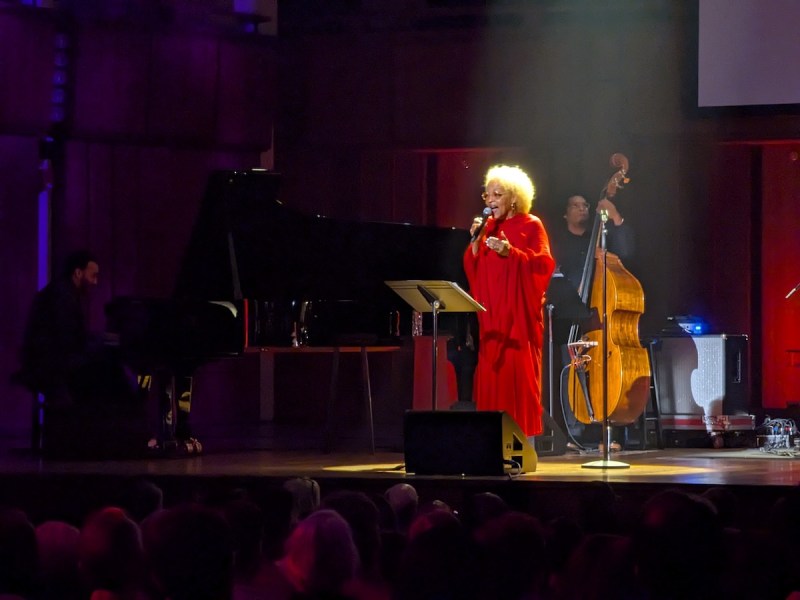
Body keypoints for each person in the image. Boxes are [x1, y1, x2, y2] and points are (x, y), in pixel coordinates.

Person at [463, 165, 555, 439]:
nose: (490, 201)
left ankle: (521, 445)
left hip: (518, 321)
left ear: (513, 198)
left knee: (518, 378)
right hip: (492, 321)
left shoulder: (531, 225)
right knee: (492, 377)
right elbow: (472, 267)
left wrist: (511, 253)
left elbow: (543, 265)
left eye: (497, 195)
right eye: (487, 195)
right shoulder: (487, 227)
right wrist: (476, 245)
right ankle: (490, 442)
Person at [548, 194, 635, 451]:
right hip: (569, 314)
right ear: (565, 213)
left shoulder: (598, 237)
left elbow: (628, 249)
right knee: (569, 370)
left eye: (585, 205)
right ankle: (574, 430)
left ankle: (606, 427)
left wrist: (616, 217)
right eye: (575, 205)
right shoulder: (558, 243)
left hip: (598, 315)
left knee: (603, 370)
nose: (582, 209)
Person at [16, 250, 133, 407]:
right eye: (93, 276)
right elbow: (69, 340)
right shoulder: (62, 296)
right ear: (78, 273)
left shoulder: (63, 292)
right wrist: (106, 341)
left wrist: (104, 340)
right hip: (49, 363)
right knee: (110, 373)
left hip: (49, 359)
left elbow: (74, 337)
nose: (95, 282)